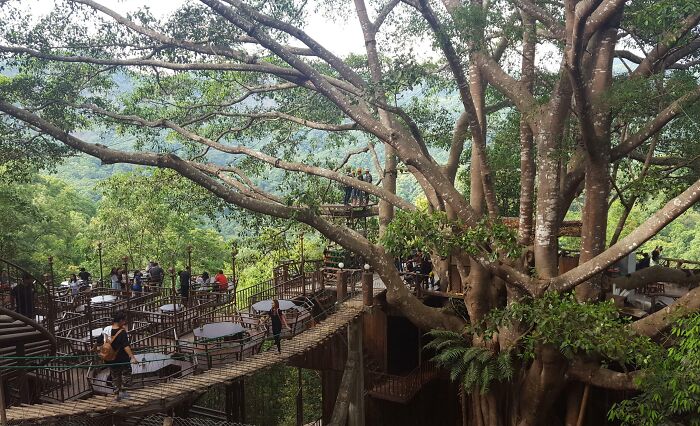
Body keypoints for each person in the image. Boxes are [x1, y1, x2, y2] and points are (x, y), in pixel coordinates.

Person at [104, 311, 138, 401]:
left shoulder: (107, 329)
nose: (125, 322)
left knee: (115, 376)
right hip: (122, 358)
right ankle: (123, 391)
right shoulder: (122, 332)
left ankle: (116, 395)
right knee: (126, 375)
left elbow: (100, 340)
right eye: (124, 320)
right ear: (120, 321)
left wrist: (94, 348)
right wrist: (132, 357)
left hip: (111, 359)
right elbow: (126, 346)